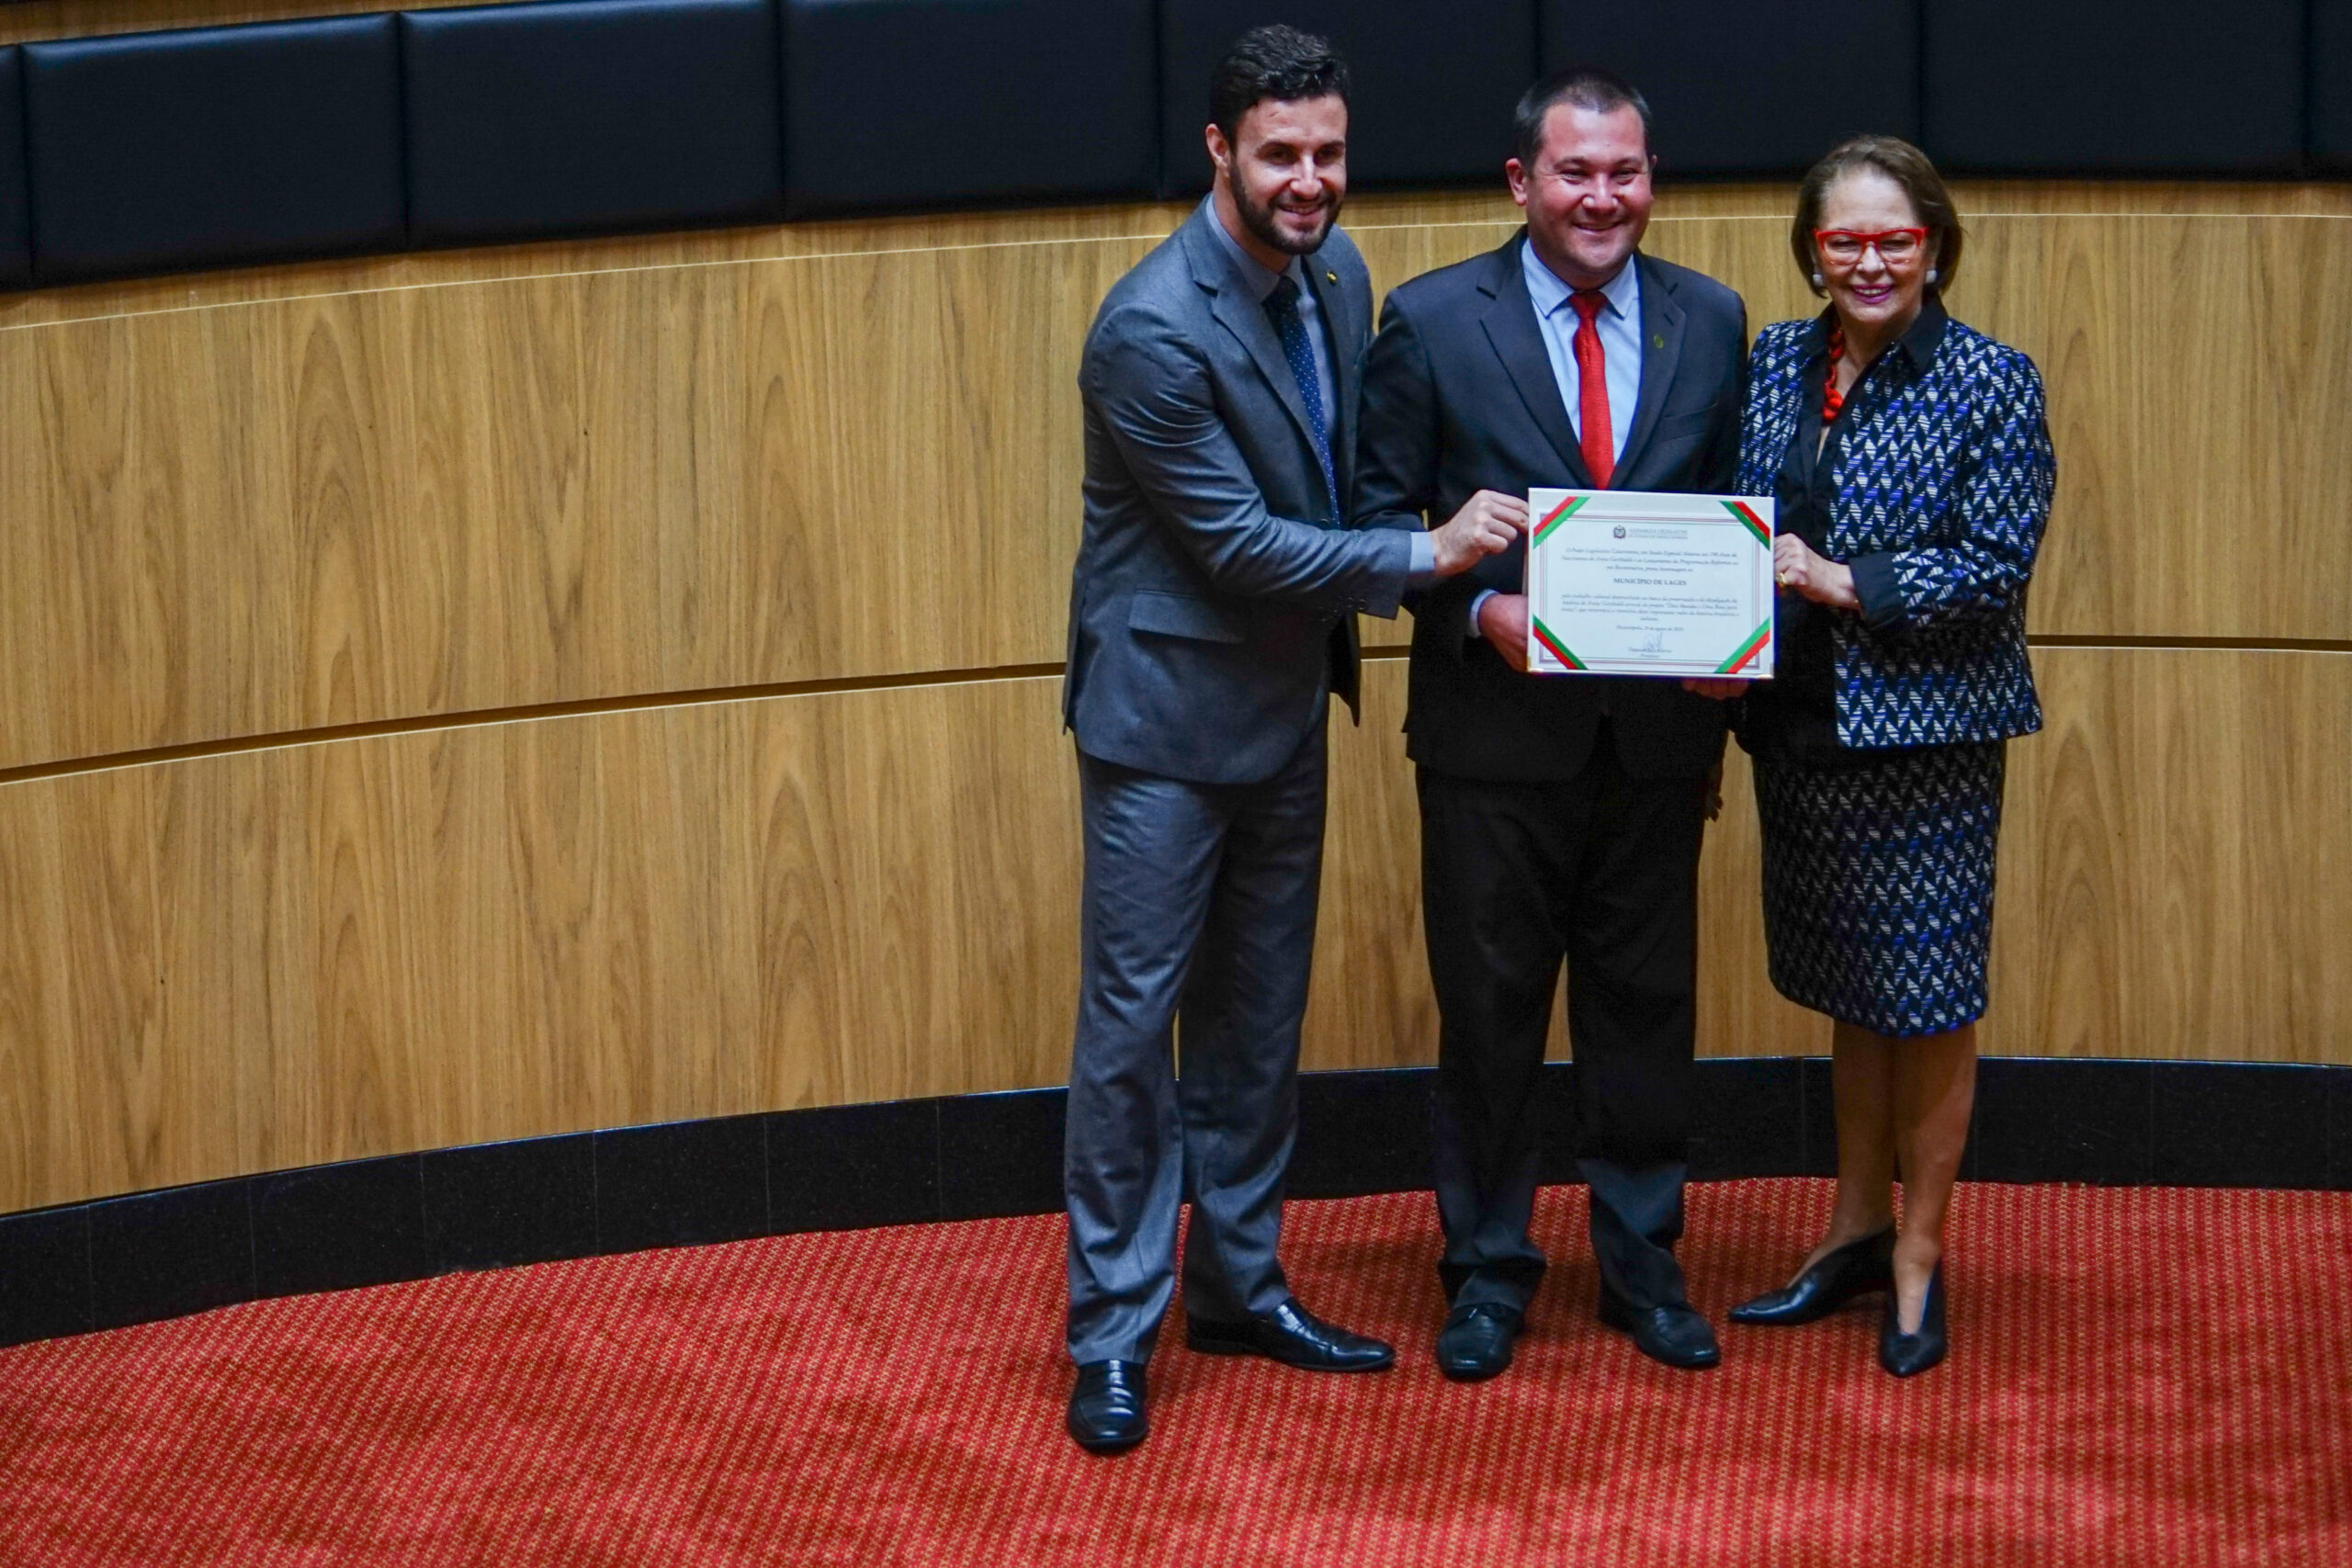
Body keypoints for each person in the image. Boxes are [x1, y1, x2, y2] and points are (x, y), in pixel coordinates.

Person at [1058, 26, 1518, 1455]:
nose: (1311, 180)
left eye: (1328, 151)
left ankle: (1239, 1289)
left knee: (1257, 1029)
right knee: (1135, 1038)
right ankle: (1113, 1335)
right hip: (1161, 730)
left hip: (1280, 714)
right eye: (1281, 155)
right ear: (1219, 152)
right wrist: (1430, 554)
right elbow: (1240, 544)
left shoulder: (1336, 273)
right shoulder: (1148, 327)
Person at [1352, 67, 1747, 1381]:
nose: (1603, 196)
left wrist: (1740, 639)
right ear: (1522, 182)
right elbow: (1372, 529)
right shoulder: (1425, 322)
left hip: (1655, 746)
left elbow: (1733, 509)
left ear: (1652, 180)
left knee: (1645, 1012)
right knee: (1491, 1018)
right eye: (1575, 172)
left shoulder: (1711, 318)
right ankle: (1485, 1273)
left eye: (1625, 171)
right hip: (1490, 746)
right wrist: (1476, 619)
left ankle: (1644, 1264)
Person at [1709, 136, 2053, 1378]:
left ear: (1935, 246)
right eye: (1842, 238)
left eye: (1891, 238)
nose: (1866, 259)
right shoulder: (1772, 364)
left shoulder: (1991, 382)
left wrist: (1841, 580)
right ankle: (1852, 1226)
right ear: (1812, 249)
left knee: (1932, 999)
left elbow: (1991, 564)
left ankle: (1917, 1251)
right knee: (1854, 990)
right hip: (1800, 728)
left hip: (1928, 741)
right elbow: (1732, 530)